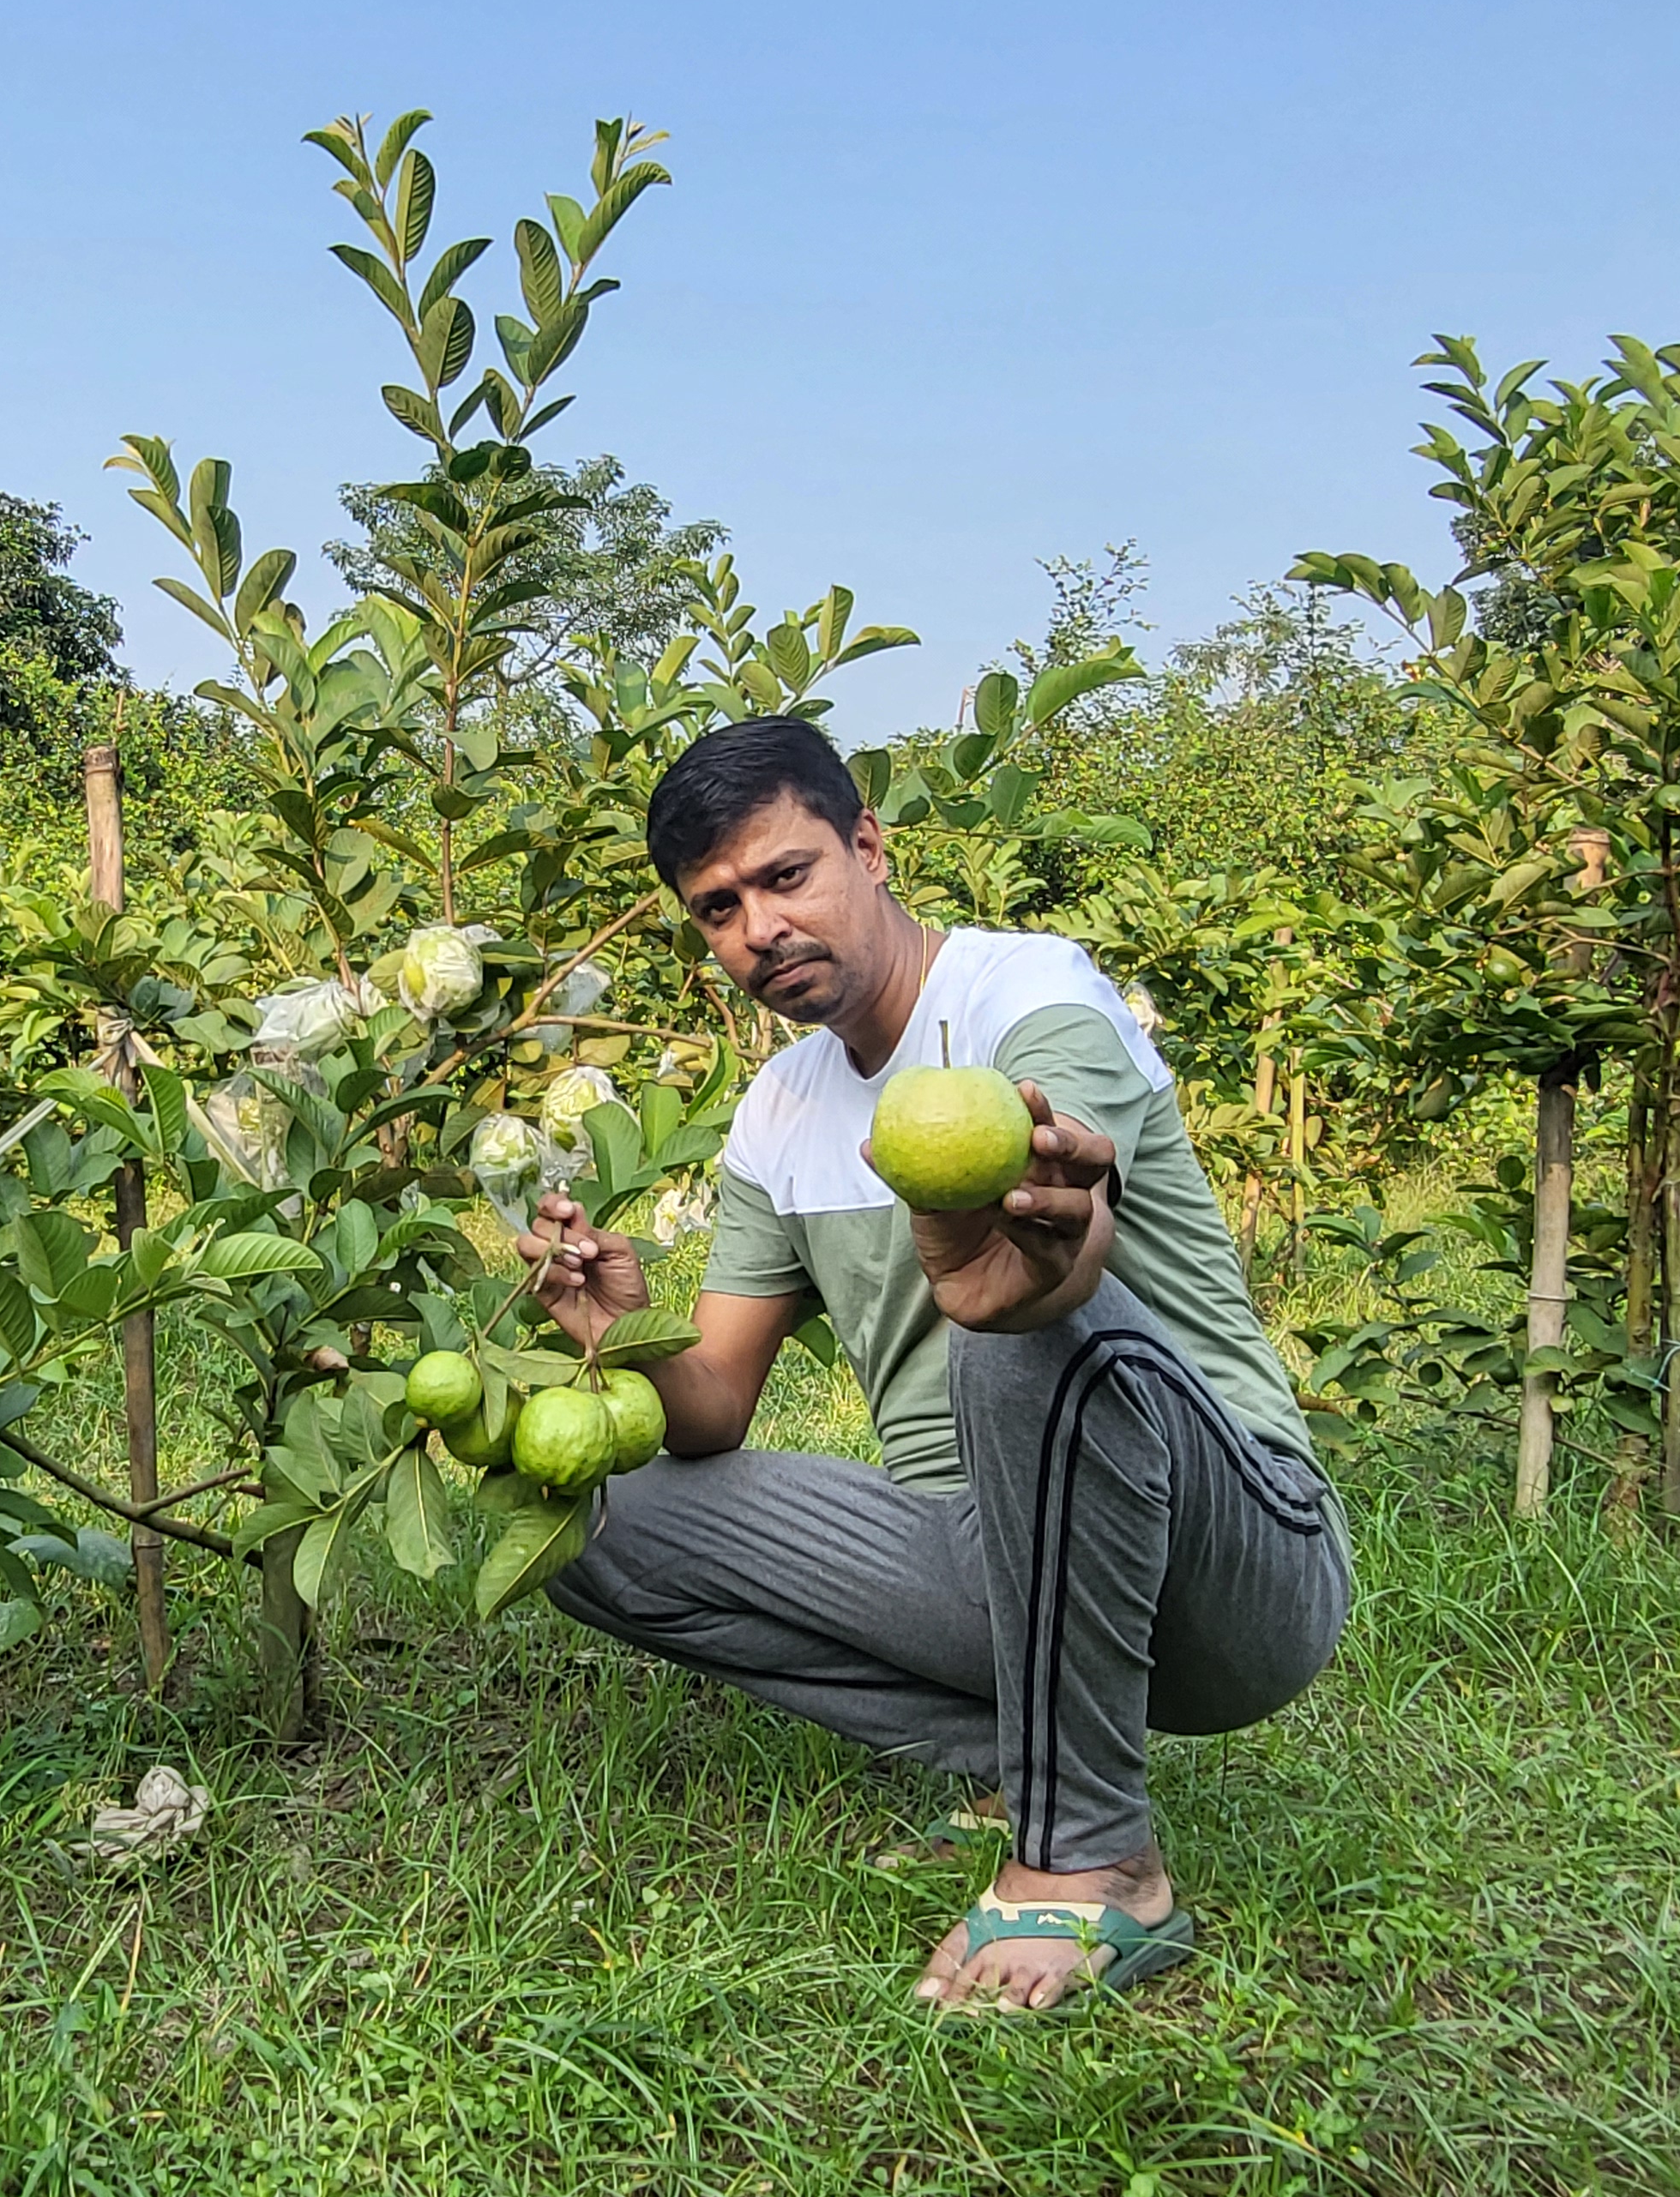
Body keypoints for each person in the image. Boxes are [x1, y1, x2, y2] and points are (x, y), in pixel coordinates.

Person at [521, 714, 1351, 2012]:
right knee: (589, 1514)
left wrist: (1035, 1266)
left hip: (1235, 1559)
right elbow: (713, 1410)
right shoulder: (780, 1108)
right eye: (720, 909)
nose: (761, 930)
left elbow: (1071, 1236)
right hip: (988, 1564)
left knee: (1020, 1328)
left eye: (787, 876)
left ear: (868, 846)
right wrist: (618, 1332)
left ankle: (1093, 1856)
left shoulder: (1030, 1001)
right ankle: (1025, 1760)